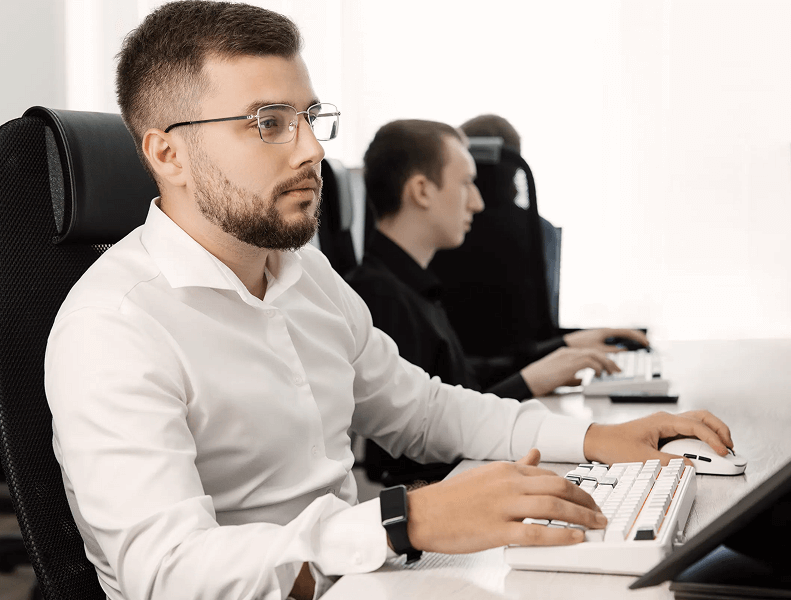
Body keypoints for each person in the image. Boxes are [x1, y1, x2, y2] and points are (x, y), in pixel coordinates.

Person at [44, 3, 734, 600]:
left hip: (364, 581)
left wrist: (592, 440)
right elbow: (165, 574)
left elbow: (422, 411)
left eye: (309, 117)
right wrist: (405, 522)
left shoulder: (305, 275)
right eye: (268, 123)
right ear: (168, 155)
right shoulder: (113, 327)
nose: (311, 150)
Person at [347, 120, 654, 485]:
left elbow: (459, 382)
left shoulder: (407, 285)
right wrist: (528, 381)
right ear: (422, 191)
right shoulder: (381, 297)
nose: (477, 202)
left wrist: (559, 349)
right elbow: (426, 429)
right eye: (466, 183)